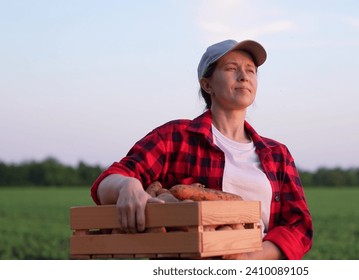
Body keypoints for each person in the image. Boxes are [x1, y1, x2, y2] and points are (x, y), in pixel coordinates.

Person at [90, 39, 313, 260]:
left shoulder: (276, 154)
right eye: (231, 68)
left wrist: (247, 259)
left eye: (251, 71)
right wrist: (126, 185)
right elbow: (111, 179)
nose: (244, 76)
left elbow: (299, 226)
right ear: (207, 84)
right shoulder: (176, 136)